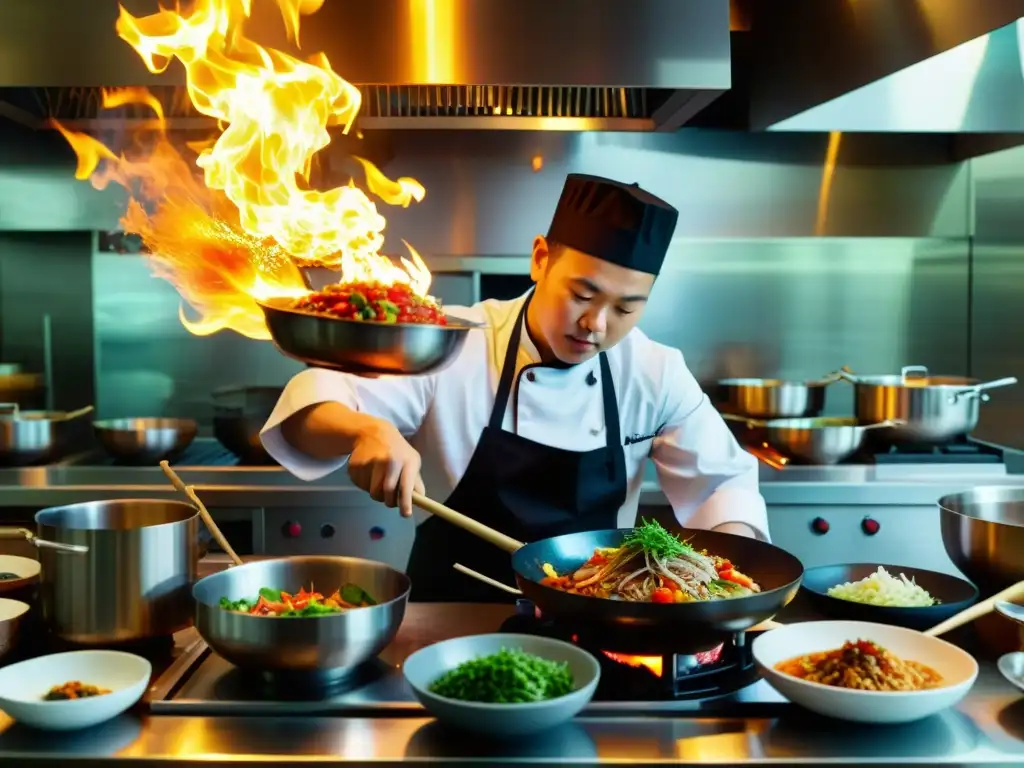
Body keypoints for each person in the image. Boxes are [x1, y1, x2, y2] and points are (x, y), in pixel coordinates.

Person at [260, 173, 769, 602]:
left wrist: (722, 584)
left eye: (625, 309)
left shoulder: (654, 372)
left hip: (592, 622)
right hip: (452, 619)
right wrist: (364, 430)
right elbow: (314, 399)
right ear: (541, 258)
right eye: (582, 294)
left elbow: (724, 482)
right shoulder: (453, 342)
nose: (595, 324)